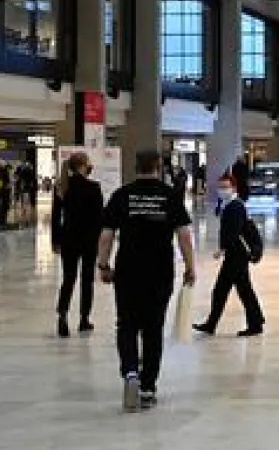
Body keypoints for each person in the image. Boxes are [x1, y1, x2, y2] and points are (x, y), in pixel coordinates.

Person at [97, 151, 195, 411]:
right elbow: (184, 236)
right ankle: (148, 387)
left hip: (128, 269)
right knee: (153, 329)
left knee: (127, 325)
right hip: (159, 271)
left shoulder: (122, 195)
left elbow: (106, 235)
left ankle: (130, 371)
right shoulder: (170, 195)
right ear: (158, 167)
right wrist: (190, 267)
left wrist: (103, 265)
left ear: (135, 167)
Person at [193, 175, 265, 338]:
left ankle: (215, 324)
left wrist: (222, 249)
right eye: (220, 187)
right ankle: (254, 322)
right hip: (236, 254)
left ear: (233, 188)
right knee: (240, 289)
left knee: (224, 290)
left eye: (225, 187)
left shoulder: (235, 206)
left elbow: (234, 231)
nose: (222, 190)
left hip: (237, 254)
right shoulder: (230, 204)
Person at [51, 152, 104, 338]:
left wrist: (55, 241)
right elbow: (99, 220)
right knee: (86, 280)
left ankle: (63, 315)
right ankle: (84, 319)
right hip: (88, 240)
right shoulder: (93, 187)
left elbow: (56, 218)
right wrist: (101, 242)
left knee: (68, 279)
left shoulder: (62, 188)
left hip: (68, 239)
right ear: (83, 165)